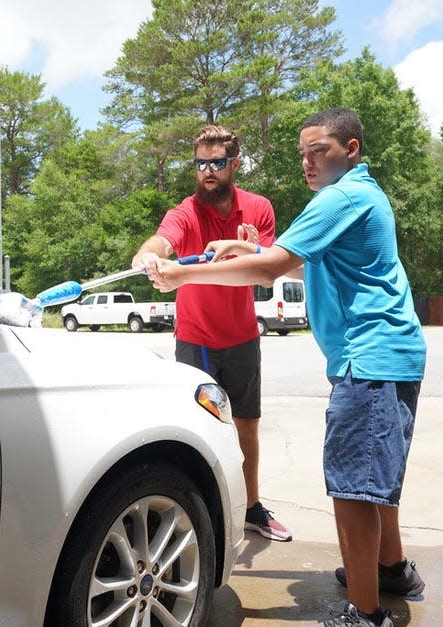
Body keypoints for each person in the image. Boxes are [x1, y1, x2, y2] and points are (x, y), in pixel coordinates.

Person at [143, 108, 427, 627]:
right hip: (390, 354)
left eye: (319, 151)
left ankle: (365, 615)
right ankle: (391, 570)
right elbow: (298, 259)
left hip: (370, 358)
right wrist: (246, 246)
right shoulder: (362, 194)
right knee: (373, 478)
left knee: (353, 487)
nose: (307, 162)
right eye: (303, 153)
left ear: (352, 148)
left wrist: (186, 278)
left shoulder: (339, 198)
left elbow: (273, 269)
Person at [132, 125, 292, 542]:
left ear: (234, 164)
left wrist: (253, 248)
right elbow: (162, 240)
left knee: (246, 425)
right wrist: (148, 255)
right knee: (195, 428)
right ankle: (198, 511)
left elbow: (268, 272)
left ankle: (252, 507)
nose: (207, 171)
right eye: (200, 163)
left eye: (217, 163)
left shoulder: (258, 209)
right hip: (195, 338)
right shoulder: (187, 210)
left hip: (242, 337)